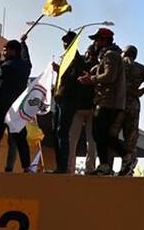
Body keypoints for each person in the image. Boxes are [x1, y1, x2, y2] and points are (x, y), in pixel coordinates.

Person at [77, 28, 125, 176]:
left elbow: (109, 76)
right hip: (106, 100)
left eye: (97, 39)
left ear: (104, 40)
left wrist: (90, 79)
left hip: (109, 102)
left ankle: (126, 155)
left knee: (100, 134)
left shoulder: (110, 55)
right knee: (99, 134)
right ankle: (104, 166)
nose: (95, 42)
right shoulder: (107, 56)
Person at [0, 38, 31, 172]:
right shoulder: (25, 66)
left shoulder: (7, 66)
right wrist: (24, 44)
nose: (3, 52)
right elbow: (26, 57)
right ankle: (26, 166)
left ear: (13, 51)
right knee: (21, 138)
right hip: (18, 107)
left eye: (6, 49)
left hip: (4, 105)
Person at [52, 31, 96, 174]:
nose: (65, 44)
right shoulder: (66, 58)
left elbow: (74, 79)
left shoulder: (76, 59)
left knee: (63, 133)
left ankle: (64, 167)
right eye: (64, 41)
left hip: (69, 100)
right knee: (58, 133)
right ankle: (61, 166)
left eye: (68, 41)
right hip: (61, 99)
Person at [116, 45, 144, 176]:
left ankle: (108, 166)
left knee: (112, 135)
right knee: (130, 137)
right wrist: (142, 91)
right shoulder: (141, 68)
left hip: (117, 103)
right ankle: (128, 167)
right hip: (133, 104)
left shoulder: (119, 65)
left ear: (124, 53)